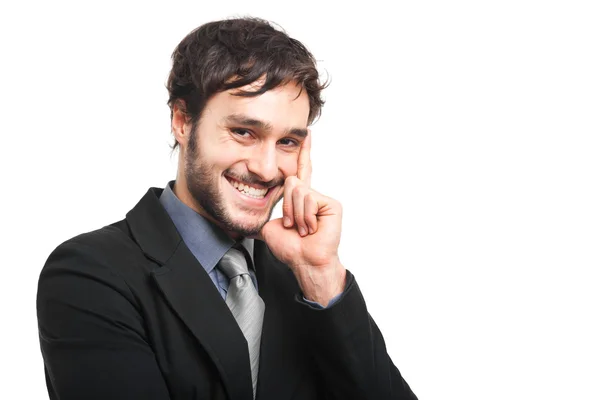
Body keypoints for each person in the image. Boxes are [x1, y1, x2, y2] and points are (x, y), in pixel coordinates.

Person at [36, 17, 417, 400]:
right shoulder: (88, 273)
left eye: (287, 142)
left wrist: (322, 274)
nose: (267, 169)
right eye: (244, 132)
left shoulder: (304, 279)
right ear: (183, 121)